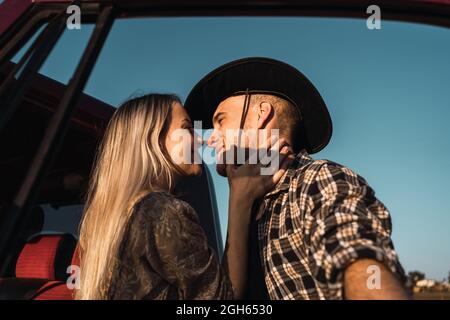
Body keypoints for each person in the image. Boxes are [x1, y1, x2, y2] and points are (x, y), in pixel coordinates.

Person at [184, 57, 410, 300]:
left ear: (261, 114)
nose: (210, 138)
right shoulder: (247, 204)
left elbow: (355, 256)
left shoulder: (317, 180)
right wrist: (238, 200)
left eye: (221, 121)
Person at [75, 93, 293, 300]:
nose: (201, 140)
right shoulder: (161, 212)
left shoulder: (104, 223)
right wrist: (239, 201)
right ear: (154, 139)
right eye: (187, 128)